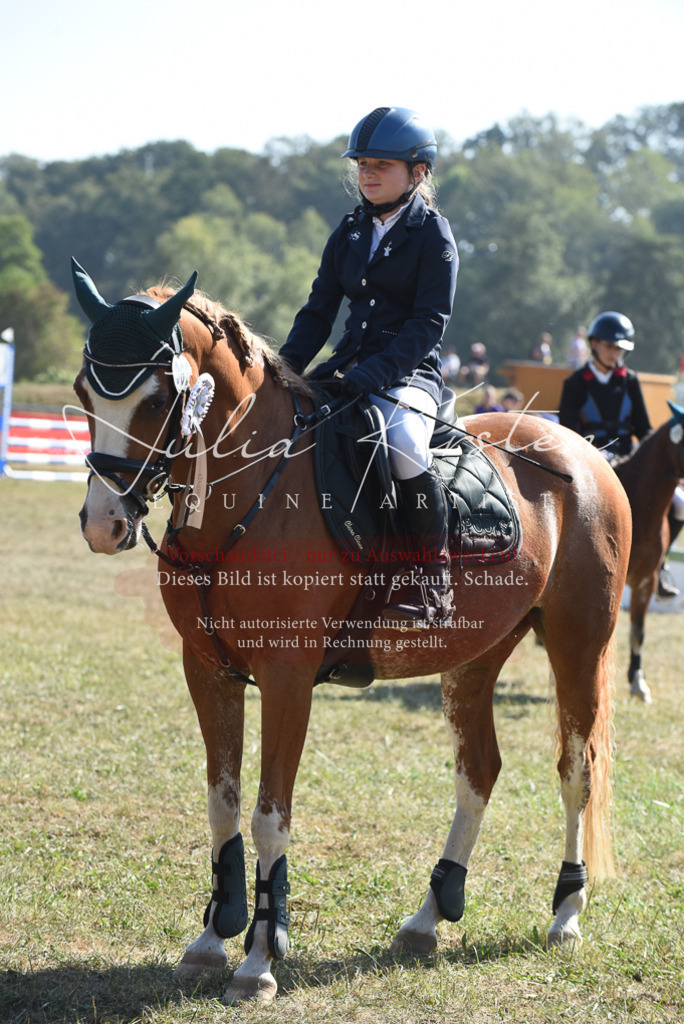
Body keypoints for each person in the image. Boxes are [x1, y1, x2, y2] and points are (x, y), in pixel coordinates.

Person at [279, 106, 459, 627]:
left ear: (418, 172)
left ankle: (432, 582)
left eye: (382, 163)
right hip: (346, 370)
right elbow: (317, 313)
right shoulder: (350, 231)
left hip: (407, 374)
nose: (368, 173)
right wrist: (282, 371)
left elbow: (428, 324)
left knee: (401, 444)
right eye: (362, 164)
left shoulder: (434, 235)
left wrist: (372, 374)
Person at [558, 312, 677, 597]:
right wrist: (597, 458)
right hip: (590, 465)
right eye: (611, 346)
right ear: (594, 344)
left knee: (680, 505)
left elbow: (645, 429)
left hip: (632, 465)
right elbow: (568, 436)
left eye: (621, 349)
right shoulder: (575, 384)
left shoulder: (631, 381)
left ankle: (659, 568)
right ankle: (562, 576)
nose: (616, 353)